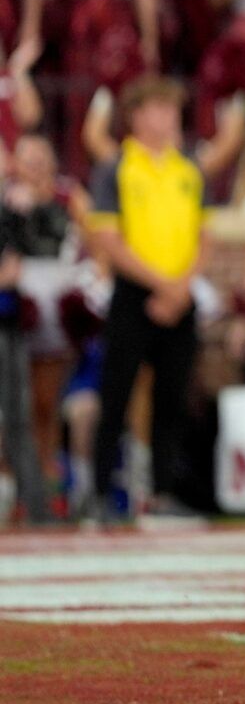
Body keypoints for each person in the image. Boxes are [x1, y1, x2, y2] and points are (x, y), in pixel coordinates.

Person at [82, 77, 213, 521]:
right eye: (158, 109)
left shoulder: (188, 168)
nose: (167, 119)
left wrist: (182, 285)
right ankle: (100, 493)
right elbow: (108, 238)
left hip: (180, 294)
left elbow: (205, 234)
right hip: (135, 293)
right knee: (116, 393)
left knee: (173, 400)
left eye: (173, 110)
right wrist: (160, 282)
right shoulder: (117, 167)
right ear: (135, 115)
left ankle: (161, 490)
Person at [3, 134, 95, 516]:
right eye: (28, 158)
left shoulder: (68, 196)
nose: (35, 165)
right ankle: (12, 484)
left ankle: (45, 481)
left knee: (45, 403)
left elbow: (94, 235)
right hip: (15, 300)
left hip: (54, 297)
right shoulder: (5, 201)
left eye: (42, 157)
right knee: (11, 405)